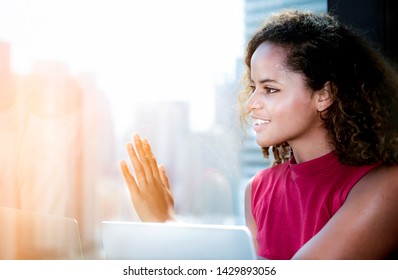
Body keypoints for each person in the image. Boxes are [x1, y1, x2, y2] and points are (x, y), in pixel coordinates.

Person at [120, 10, 398, 259]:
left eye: (270, 89)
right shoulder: (258, 190)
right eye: (253, 86)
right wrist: (165, 226)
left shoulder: (385, 187)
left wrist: (166, 226)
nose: (251, 102)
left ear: (324, 94)